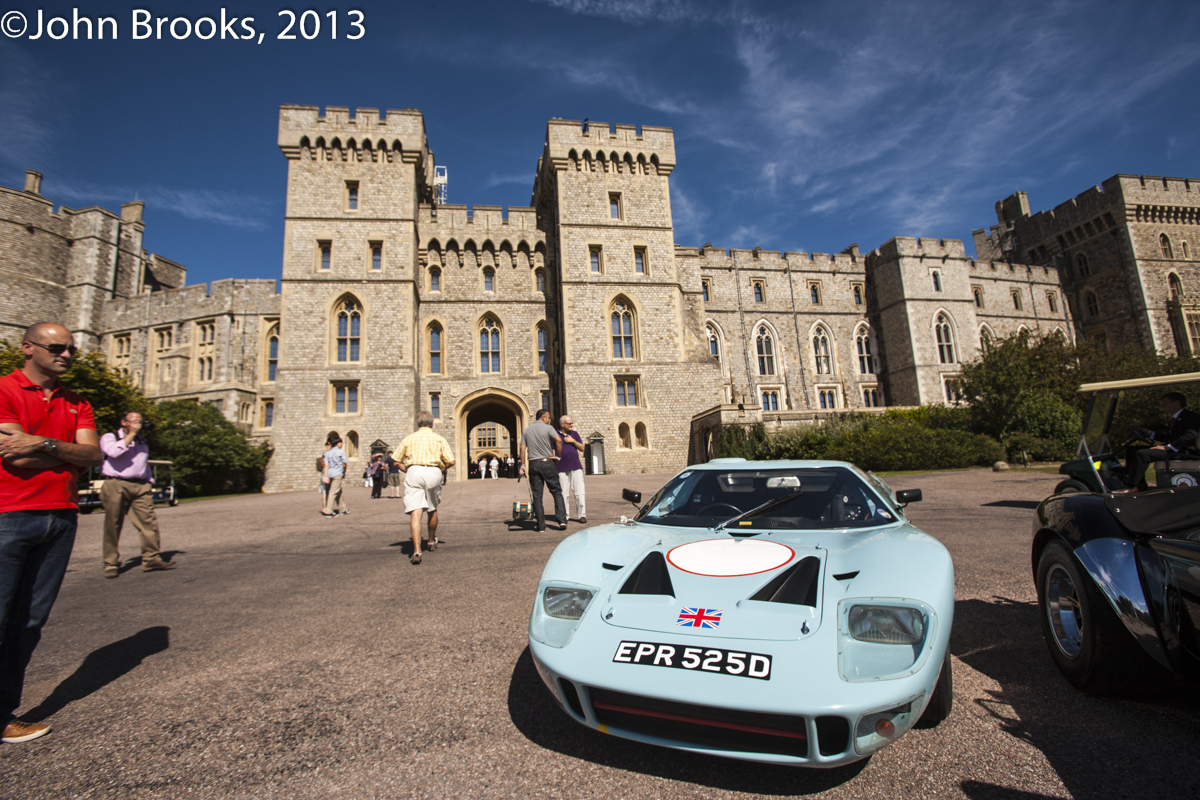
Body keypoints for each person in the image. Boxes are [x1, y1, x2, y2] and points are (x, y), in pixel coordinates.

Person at [0, 322, 102, 744]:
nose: (66, 355)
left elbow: (93, 454)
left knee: (29, 621)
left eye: (71, 350)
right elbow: (12, 456)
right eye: (56, 347)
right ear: (28, 348)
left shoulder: (78, 403)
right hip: (9, 514)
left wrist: (40, 444)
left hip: (61, 516)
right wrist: (65, 453)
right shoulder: (4, 391)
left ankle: (3, 714)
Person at [99, 411, 176, 577]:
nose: (138, 424)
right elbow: (114, 452)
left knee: (149, 523)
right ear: (123, 422)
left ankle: (151, 558)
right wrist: (131, 435)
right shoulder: (109, 437)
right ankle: (110, 563)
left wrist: (149, 480)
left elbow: (142, 462)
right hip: (116, 483)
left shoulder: (142, 441)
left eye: (140, 421)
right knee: (113, 524)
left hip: (141, 486)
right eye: (134, 421)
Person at [394, 411, 455, 565]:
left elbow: (395, 460)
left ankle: (416, 550)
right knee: (432, 508)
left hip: (414, 470)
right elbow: (452, 461)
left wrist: (406, 468)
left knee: (416, 512)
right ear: (432, 423)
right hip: (434, 471)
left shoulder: (410, 438)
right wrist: (441, 467)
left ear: (417, 423)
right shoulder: (439, 439)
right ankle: (430, 541)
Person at [1117, 392, 1200, 493]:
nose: (1162, 406)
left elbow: (1191, 435)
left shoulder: (1190, 417)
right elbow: (1168, 437)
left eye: (1165, 403)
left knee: (1142, 454)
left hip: (1184, 452)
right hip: (1176, 450)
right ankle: (1139, 485)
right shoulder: (1176, 418)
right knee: (1132, 450)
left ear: (1177, 403)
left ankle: (1131, 486)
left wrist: (1168, 447)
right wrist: (1149, 433)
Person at [519, 409, 566, 532]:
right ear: (543, 418)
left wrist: (522, 464)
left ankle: (541, 526)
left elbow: (522, 449)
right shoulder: (548, 428)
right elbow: (559, 440)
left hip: (533, 464)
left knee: (537, 496)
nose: (550, 420)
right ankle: (561, 521)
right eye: (549, 417)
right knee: (556, 491)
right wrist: (558, 457)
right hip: (547, 463)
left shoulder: (526, 430)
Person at [557, 415, 587, 523]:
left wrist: (572, 441)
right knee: (563, 493)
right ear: (562, 424)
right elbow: (552, 451)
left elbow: (583, 448)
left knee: (579, 492)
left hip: (575, 466)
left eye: (572, 423)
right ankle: (565, 516)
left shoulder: (574, 434)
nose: (571, 425)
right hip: (561, 468)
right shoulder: (555, 435)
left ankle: (582, 515)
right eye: (569, 423)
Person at [322, 436, 348, 517]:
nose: (342, 444)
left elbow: (326, 465)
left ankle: (342, 509)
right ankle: (328, 510)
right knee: (333, 492)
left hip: (330, 474)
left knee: (338, 491)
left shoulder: (327, 453)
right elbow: (344, 464)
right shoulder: (341, 452)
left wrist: (326, 476)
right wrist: (344, 473)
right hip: (337, 473)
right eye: (341, 442)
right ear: (338, 443)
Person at [318, 441, 331, 510]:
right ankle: (325, 507)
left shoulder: (326, 452)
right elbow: (326, 464)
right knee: (325, 491)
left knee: (326, 491)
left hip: (326, 472)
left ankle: (326, 507)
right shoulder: (327, 452)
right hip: (326, 473)